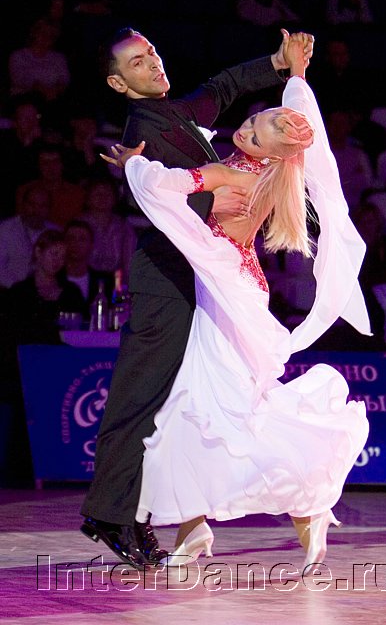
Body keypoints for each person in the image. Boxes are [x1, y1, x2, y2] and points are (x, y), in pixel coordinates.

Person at [106, 33, 370, 572]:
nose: (244, 129)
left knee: (226, 411)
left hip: (224, 297)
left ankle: (307, 506)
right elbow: (225, 92)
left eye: (257, 132)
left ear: (274, 151)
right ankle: (194, 527)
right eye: (250, 123)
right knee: (191, 406)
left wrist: (133, 167)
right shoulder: (267, 172)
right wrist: (290, 72)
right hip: (232, 289)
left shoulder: (231, 172)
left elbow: (167, 186)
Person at [0, 185, 58, 289]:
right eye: (32, 204)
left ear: (49, 208)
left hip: (46, 292)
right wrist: (21, 289)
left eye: (42, 206)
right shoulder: (5, 229)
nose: (36, 210)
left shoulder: (56, 232)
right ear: (23, 205)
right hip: (10, 290)